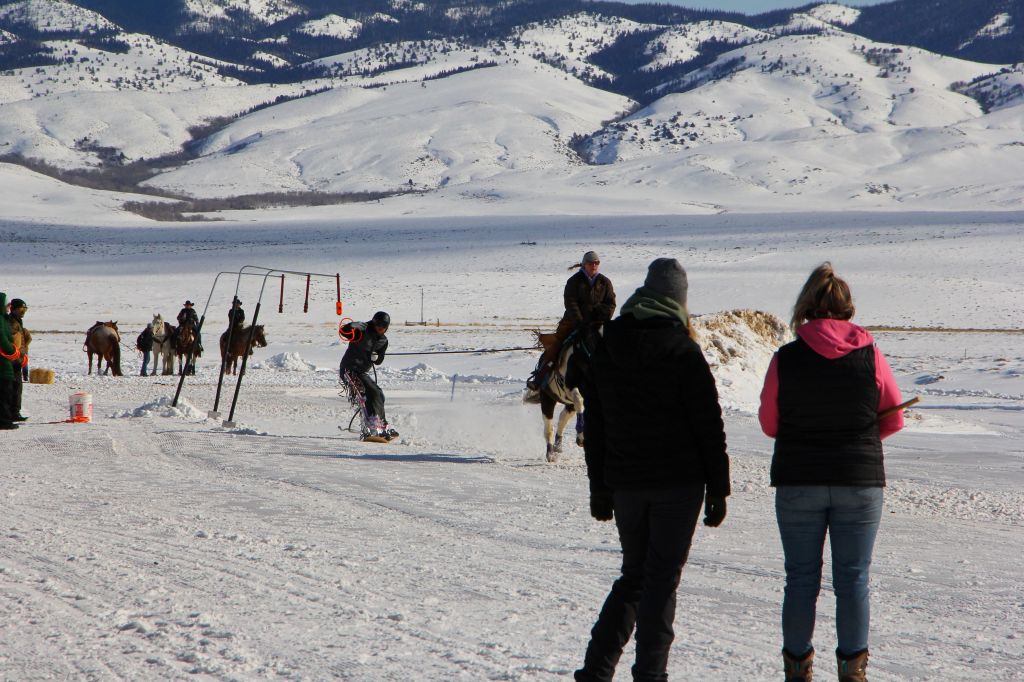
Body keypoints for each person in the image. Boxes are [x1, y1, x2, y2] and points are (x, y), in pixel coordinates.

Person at [576, 258, 730, 682]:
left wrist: (599, 489)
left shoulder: (608, 347)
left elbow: (597, 427)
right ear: (678, 301)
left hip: (627, 486)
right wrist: (718, 488)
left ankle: (595, 673)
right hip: (678, 486)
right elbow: (708, 425)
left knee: (634, 577)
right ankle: (650, 675)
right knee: (660, 582)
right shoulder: (684, 351)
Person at [758, 262, 905, 682]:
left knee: (800, 579)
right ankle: (852, 672)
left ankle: (797, 669)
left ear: (806, 305)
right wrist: (860, 439)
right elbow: (894, 418)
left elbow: (769, 424)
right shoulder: (871, 354)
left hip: (798, 480)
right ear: (847, 307)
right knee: (853, 579)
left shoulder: (785, 358)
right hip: (858, 480)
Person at [528, 250, 615, 391]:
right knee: (557, 345)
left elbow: (611, 303)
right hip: (573, 322)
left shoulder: (605, 282)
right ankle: (541, 377)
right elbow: (570, 303)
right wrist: (580, 322)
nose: (594, 265)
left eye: (596, 263)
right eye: (591, 263)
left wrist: (601, 317)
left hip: (597, 323)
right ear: (584, 264)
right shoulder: (574, 281)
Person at [339, 311, 398, 441]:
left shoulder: (383, 341)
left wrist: (376, 357)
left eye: (383, 327)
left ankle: (381, 425)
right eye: (378, 326)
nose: (380, 329)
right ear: (374, 323)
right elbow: (343, 332)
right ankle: (371, 427)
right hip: (349, 369)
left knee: (379, 394)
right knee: (366, 395)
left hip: (361, 372)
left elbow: (379, 361)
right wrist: (350, 326)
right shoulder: (362, 330)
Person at [0, 292, 23, 430]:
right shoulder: (1, 320)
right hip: (3, 364)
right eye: (6, 304)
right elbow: (2, 339)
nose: (9, 306)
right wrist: (13, 352)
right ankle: (4, 421)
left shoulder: (4, 319)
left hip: (6, 362)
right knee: (5, 392)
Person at [6, 298, 30, 421]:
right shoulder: (11, 322)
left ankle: (15, 412)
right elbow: (12, 341)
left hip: (18, 359)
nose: (23, 312)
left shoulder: (17, 321)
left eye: (24, 309)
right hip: (13, 360)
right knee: (14, 387)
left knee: (16, 387)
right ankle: (12, 413)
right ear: (14, 309)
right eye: (21, 309)